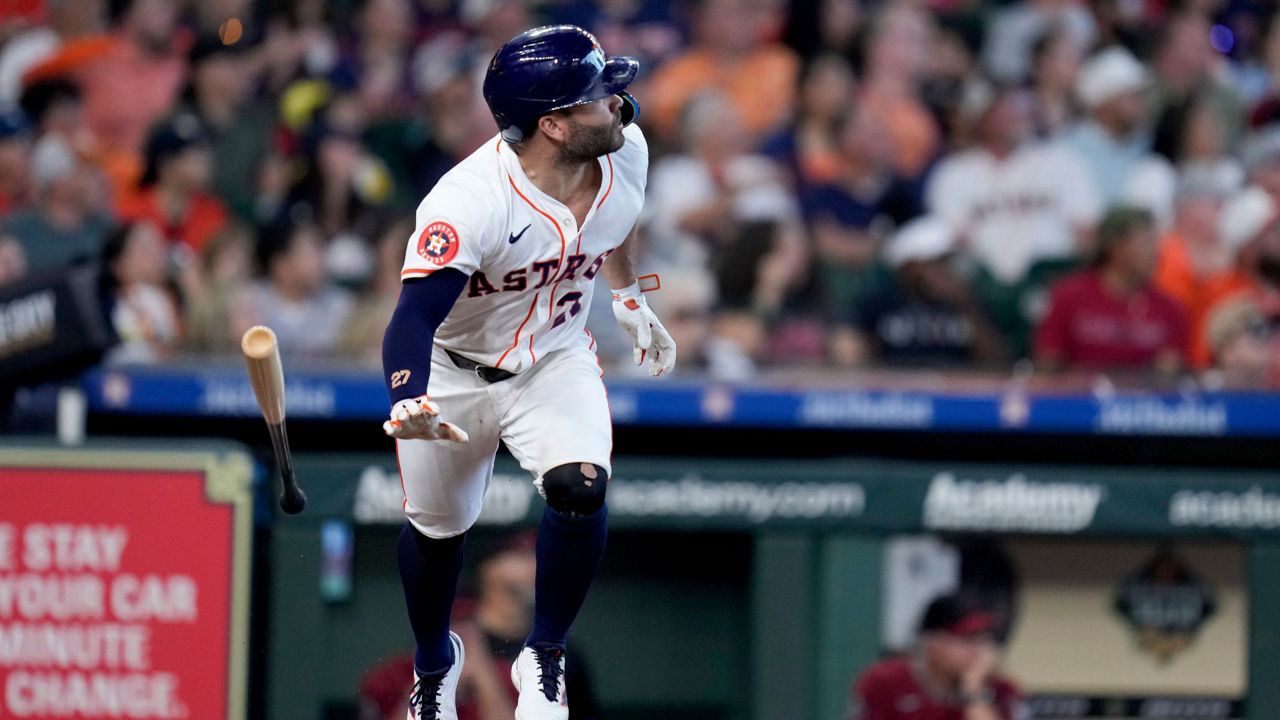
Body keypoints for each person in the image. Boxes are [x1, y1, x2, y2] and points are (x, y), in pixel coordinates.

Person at [379, 26, 675, 720]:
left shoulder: (623, 144)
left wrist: (630, 298)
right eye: (600, 96)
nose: (620, 102)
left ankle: (544, 655)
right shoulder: (468, 201)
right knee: (436, 532)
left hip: (554, 359)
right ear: (553, 124)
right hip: (455, 370)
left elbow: (619, 217)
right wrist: (409, 395)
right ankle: (433, 663)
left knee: (580, 488)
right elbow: (411, 319)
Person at [1034, 206, 1188, 373]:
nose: (1155, 253)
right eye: (1145, 242)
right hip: (1078, 394)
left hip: (1142, 397)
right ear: (1115, 246)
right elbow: (1048, 362)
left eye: (1156, 243)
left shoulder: (1169, 308)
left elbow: (1171, 372)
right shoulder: (1069, 297)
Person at [848, 594, 1030, 720]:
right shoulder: (885, 682)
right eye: (967, 639)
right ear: (930, 642)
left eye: (984, 640)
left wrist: (974, 692)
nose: (978, 651)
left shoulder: (1002, 690)